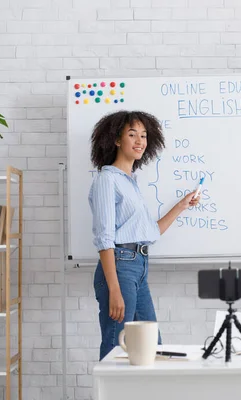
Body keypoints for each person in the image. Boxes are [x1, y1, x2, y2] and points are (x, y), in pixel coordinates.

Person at [88, 110, 200, 361]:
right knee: (116, 346)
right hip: (120, 267)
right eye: (132, 135)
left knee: (151, 347)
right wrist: (114, 288)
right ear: (117, 139)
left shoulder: (130, 182)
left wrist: (182, 205)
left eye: (144, 135)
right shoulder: (107, 180)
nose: (140, 141)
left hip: (138, 266)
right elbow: (105, 238)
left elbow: (151, 231)